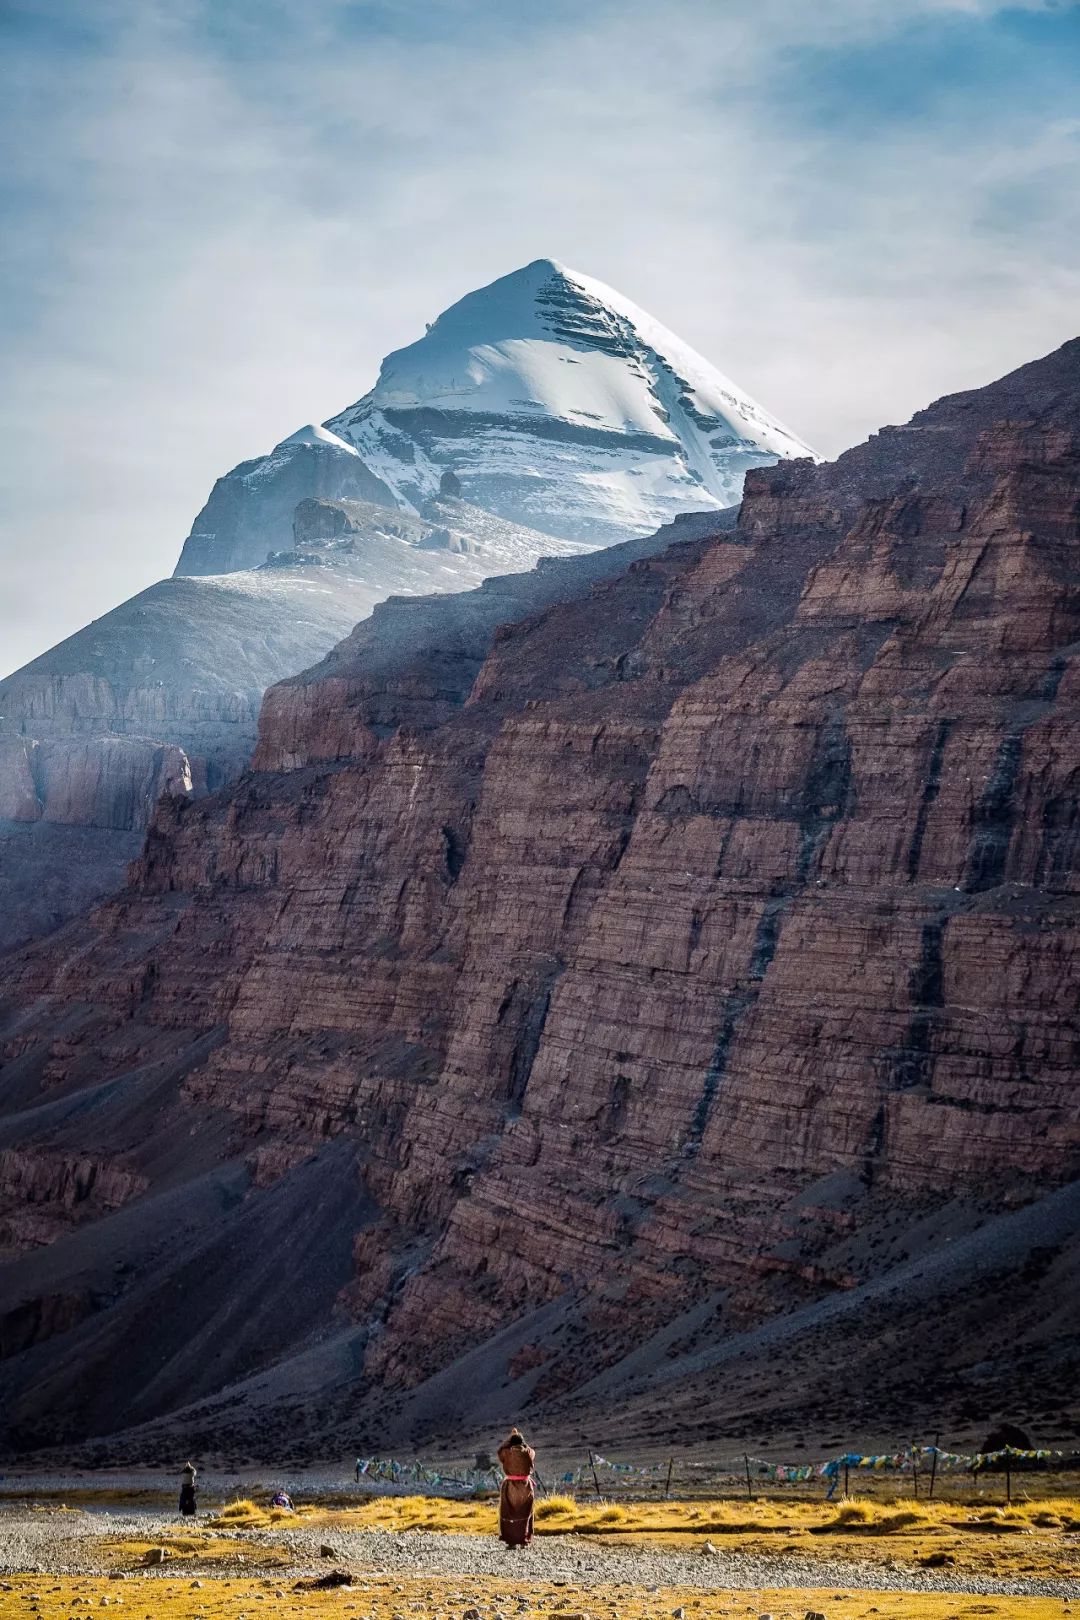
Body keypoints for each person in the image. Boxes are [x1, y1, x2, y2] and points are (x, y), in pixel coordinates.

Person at [497, 1428, 536, 1548]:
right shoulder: (528, 1452)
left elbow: (499, 1450)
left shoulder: (506, 1452)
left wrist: (511, 1437)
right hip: (525, 1486)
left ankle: (511, 1542)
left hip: (510, 1487)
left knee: (509, 1513)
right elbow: (531, 1451)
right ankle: (525, 1539)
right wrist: (520, 1438)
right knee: (525, 1512)